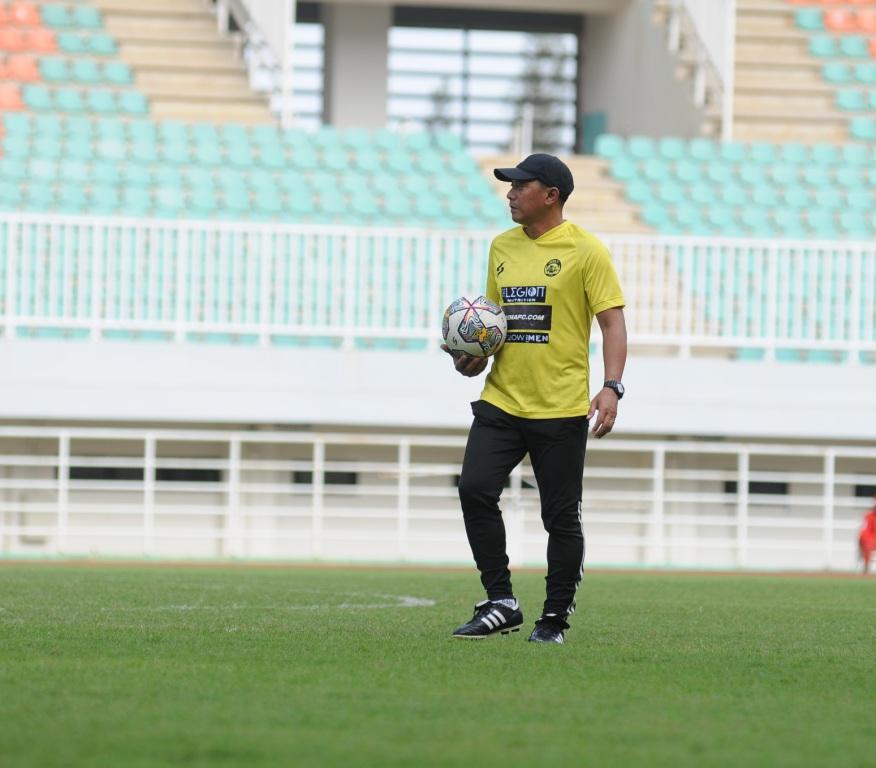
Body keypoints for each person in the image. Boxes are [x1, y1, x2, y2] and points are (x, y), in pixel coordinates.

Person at [443, 153, 627, 644]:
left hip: (561, 407)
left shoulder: (587, 251)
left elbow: (612, 322)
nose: (510, 193)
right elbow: (494, 326)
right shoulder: (501, 247)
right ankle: (501, 601)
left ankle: (554, 619)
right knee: (474, 489)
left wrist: (611, 386)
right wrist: (474, 358)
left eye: (520, 186)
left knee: (560, 517)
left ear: (551, 195)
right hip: (502, 401)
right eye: (509, 186)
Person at [858, 496, 876, 575]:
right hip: (870, 540)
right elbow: (864, 532)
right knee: (867, 545)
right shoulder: (868, 516)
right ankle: (866, 569)